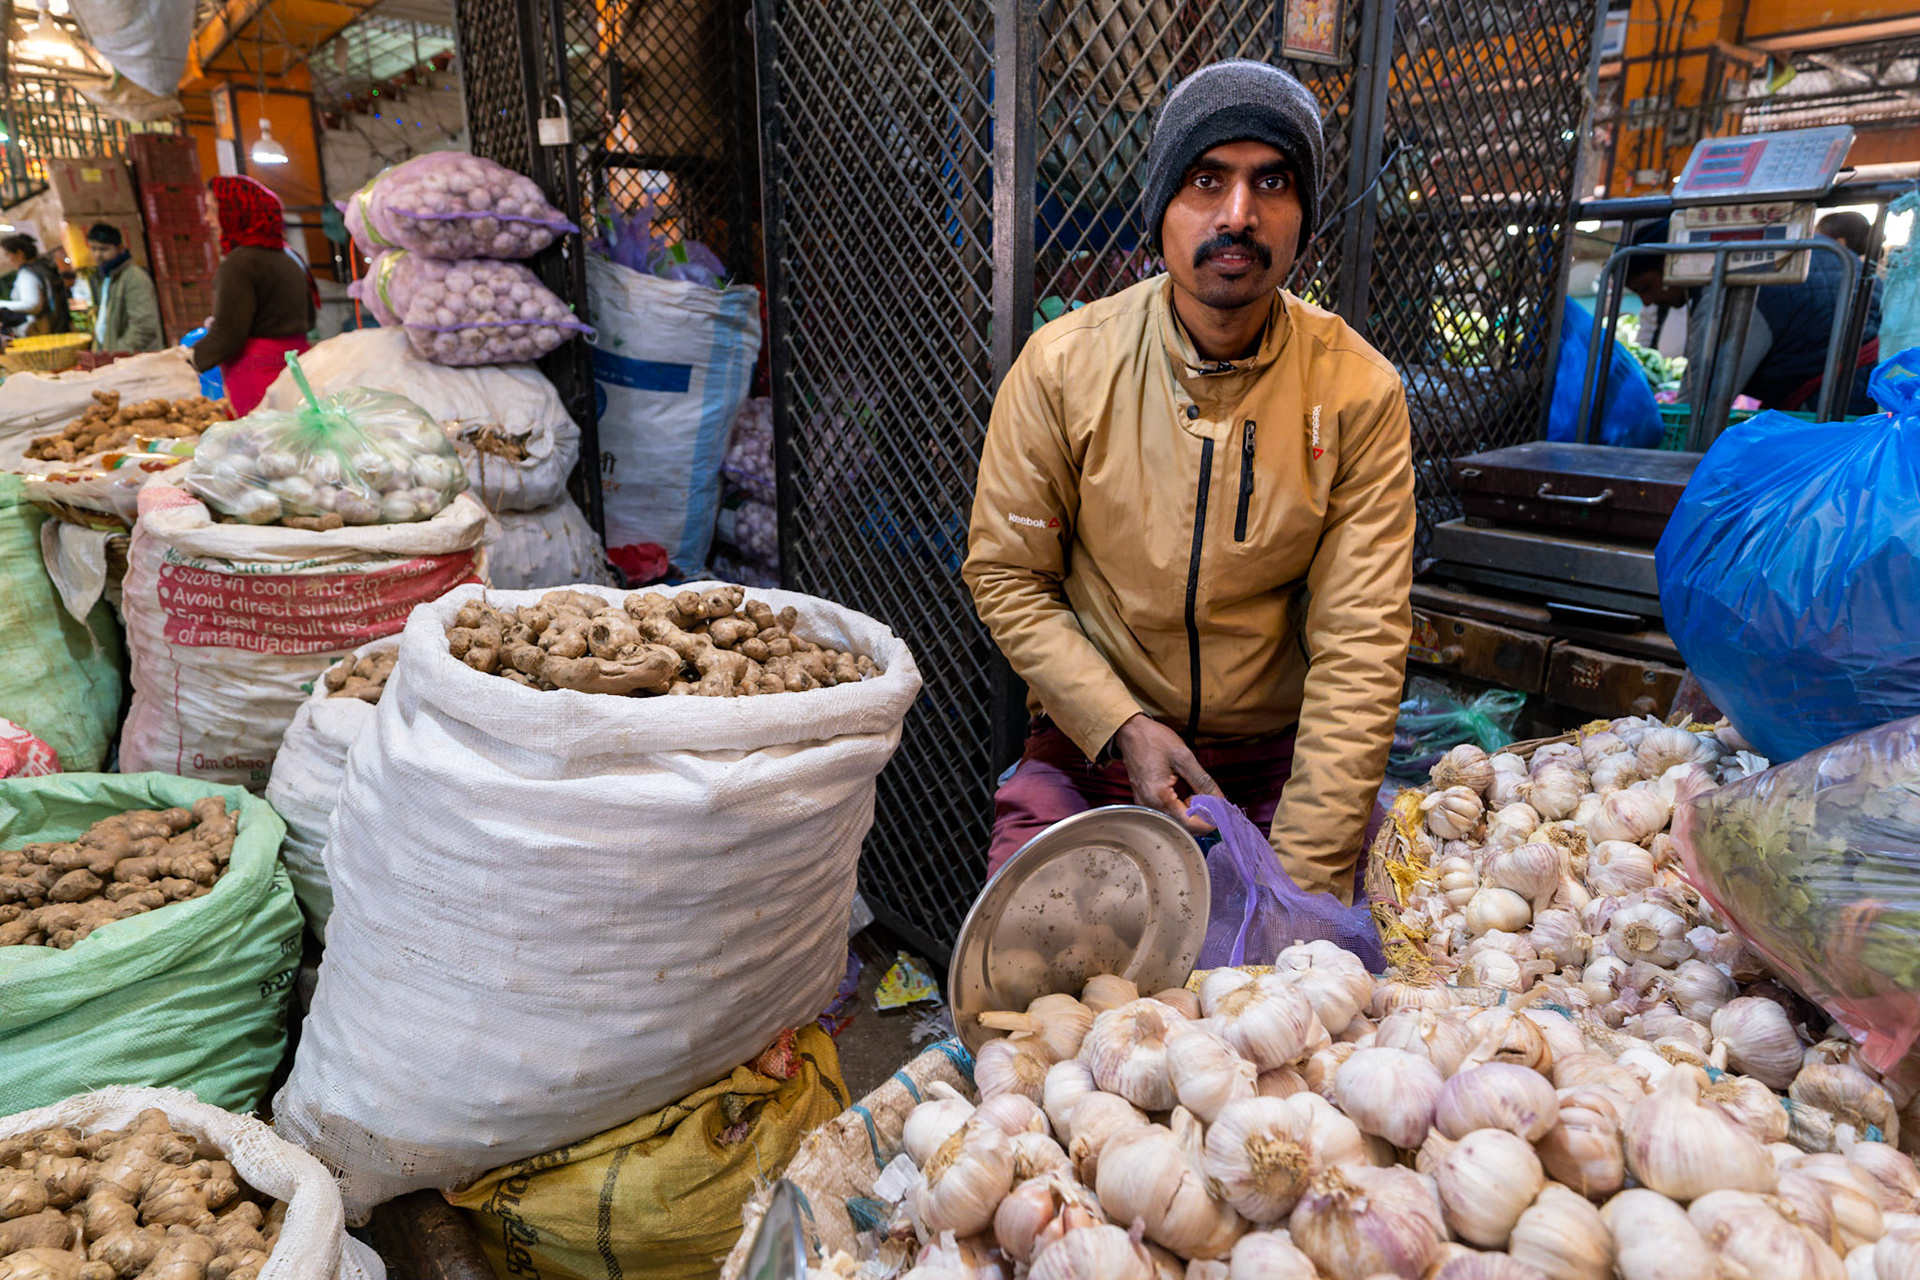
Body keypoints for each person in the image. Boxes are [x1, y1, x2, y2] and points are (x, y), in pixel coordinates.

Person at [964, 60, 1415, 901]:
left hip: (1279, 760)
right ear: (1163, 207)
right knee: (1037, 978)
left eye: (1270, 182)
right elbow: (1008, 575)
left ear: (1303, 216)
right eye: (1208, 179)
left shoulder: (1357, 390)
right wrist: (1122, 724)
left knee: (1309, 1001)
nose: (1237, 216)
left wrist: (1303, 887)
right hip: (1094, 743)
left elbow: (1361, 645)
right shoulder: (1065, 367)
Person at [1623, 217, 1881, 414]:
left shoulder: (1736, 281)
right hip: (1857, 382)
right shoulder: (1761, 252)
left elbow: (1706, 394)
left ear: (1673, 265)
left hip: (1830, 399)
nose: (1647, 300)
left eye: (1646, 288)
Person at [192, 175, 317, 413]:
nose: (207, 219)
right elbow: (309, 319)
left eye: (211, 211)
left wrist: (188, 361)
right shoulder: (290, 257)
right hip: (297, 370)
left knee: (261, 444)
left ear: (235, 212)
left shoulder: (239, 263)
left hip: (256, 376)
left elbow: (228, 334)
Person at [85, 222, 163, 353]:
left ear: (120, 248)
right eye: (94, 248)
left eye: (104, 249)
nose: (98, 255)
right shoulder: (106, 278)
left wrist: (117, 353)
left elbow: (143, 327)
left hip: (133, 362)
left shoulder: (134, 278)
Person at [0, 233, 72, 338]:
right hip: (57, 327)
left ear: (19, 253)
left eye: (8, 254)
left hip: (42, 332)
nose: (8, 259)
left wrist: (1, 304)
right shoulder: (43, 268)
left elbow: (32, 305)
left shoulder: (27, 274)